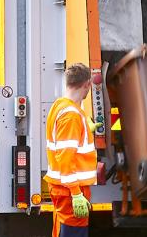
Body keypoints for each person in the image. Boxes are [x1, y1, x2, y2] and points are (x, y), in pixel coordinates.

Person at [45, 63, 98, 237]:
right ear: (87, 84)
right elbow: (65, 158)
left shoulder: (60, 106)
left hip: (63, 188)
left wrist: (84, 129)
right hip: (71, 191)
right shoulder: (71, 116)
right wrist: (76, 194)